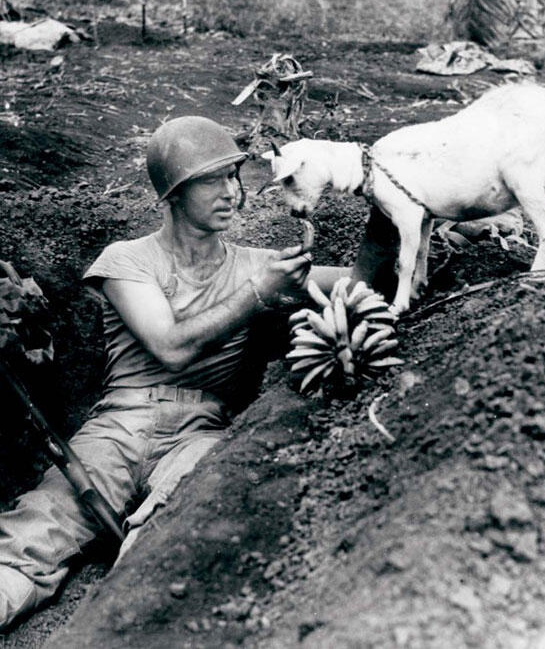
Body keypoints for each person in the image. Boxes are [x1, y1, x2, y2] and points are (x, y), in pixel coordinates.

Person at [0, 116, 349, 630]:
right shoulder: (127, 260)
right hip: (118, 428)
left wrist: (394, 213)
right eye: (213, 179)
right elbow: (171, 347)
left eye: (234, 177)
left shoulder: (259, 264)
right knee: (33, 535)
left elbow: (363, 281)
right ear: (174, 193)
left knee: (179, 535)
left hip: (202, 433)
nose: (231, 191)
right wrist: (259, 292)